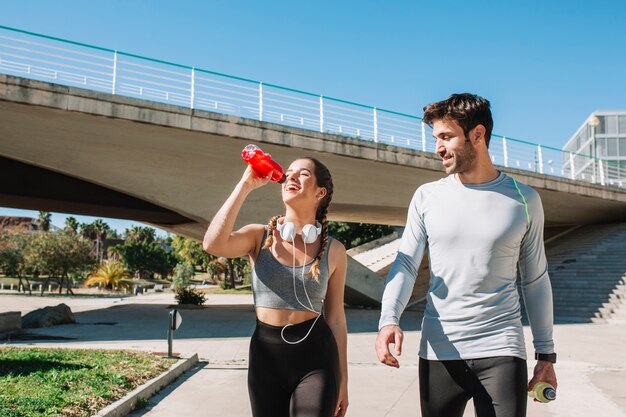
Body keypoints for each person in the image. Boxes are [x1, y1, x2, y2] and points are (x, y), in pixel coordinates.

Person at [375, 93, 558, 417]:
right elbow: (406, 262)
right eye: (436, 138)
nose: (437, 147)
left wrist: (546, 355)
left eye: (446, 137)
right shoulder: (427, 197)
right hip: (439, 352)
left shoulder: (523, 200)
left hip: (502, 349)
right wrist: (389, 319)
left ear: (477, 135)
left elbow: (535, 279)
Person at [203, 156, 349, 417]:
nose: (291, 177)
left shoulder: (335, 251)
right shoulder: (259, 236)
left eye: (303, 174)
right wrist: (245, 184)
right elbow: (213, 244)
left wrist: (344, 381)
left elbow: (336, 319)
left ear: (320, 192)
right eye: (289, 172)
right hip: (265, 359)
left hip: (317, 360)